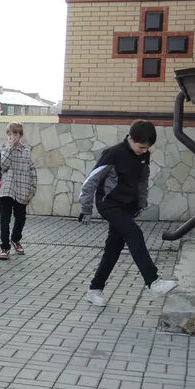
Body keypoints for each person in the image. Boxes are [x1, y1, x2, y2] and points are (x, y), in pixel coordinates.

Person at [79, 120, 177, 305]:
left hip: (126, 207)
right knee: (134, 233)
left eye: (147, 148)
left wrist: (140, 203)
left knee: (113, 249)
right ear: (130, 138)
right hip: (109, 204)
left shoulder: (143, 155)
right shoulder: (113, 154)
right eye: (141, 147)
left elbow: (142, 180)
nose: (144, 151)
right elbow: (92, 180)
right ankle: (153, 282)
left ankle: (94, 290)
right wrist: (86, 209)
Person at [0, 122, 36, 259]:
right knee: (4, 219)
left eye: (15, 134)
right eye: (9, 134)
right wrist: (10, 148)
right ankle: (4, 247)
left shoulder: (26, 151)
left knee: (20, 218)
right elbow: (3, 166)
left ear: (20, 135)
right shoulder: (2, 149)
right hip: (7, 190)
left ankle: (15, 239)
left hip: (22, 189)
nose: (12, 136)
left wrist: (32, 189)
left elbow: (32, 171)